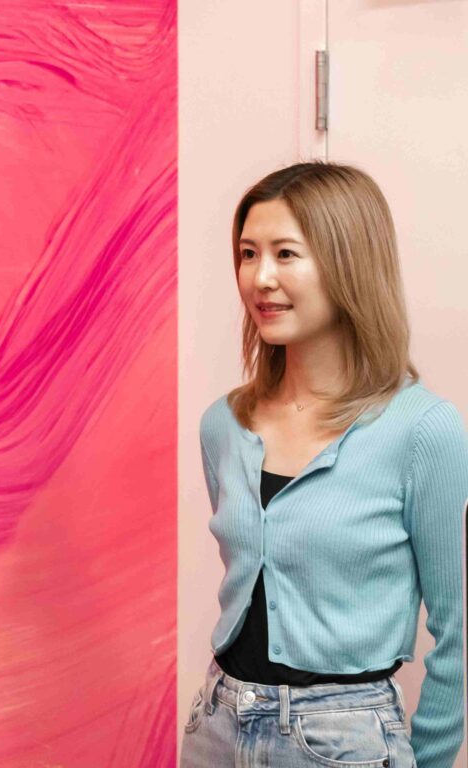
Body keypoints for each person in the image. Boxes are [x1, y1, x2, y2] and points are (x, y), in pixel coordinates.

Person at [180, 162, 467, 768]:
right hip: (214, 725)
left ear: (349, 263)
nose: (260, 277)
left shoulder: (423, 431)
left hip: (344, 743)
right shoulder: (223, 425)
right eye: (247, 252)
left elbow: (457, 630)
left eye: (287, 254)